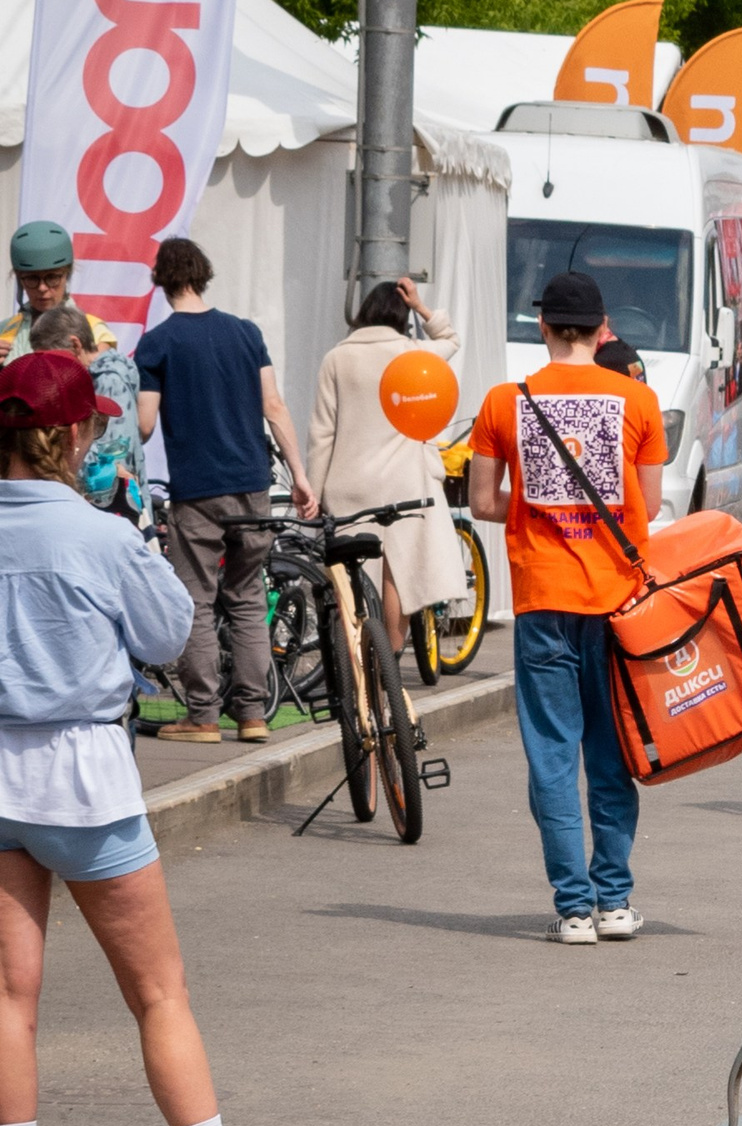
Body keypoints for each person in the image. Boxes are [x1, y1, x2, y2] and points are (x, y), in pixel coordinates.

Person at [0, 350, 297, 1126]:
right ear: (72, 435)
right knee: (158, 992)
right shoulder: (100, 534)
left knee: (11, 995)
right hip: (85, 777)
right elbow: (172, 632)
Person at [467, 267, 666, 938]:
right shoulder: (636, 399)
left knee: (553, 754)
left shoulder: (504, 402)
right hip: (617, 604)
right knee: (611, 756)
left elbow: (483, 502)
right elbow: (652, 504)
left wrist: (535, 510)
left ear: (544, 326)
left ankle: (573, 908)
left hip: (542, 599)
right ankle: (614, 900)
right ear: (602, 328)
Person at [132, 237, 318, 747]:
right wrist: (300, 476)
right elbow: (274, 407)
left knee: (196, 600)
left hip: (198, 493)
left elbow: (145, 425)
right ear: (203, 274)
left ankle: (203, 716)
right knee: (247, 597)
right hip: (252, 488)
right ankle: (253, 715)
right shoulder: (245, 333)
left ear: (161, 280)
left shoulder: (158, 343)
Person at [306, 278, 471, 650]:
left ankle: (355, 663)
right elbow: (452, 340)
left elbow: (322, 434)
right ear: (402, 315)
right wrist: (422, 307)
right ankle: (391, 660)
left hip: (349, 484)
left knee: (351, 576)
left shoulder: (337, 357)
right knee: (398, 574)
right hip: (403, 484)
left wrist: (312, 494)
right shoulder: (413, 354)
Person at [27, 307, 144, 521]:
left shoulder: (109, 380)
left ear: (75, 344)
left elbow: (115, 459)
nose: (48, 368)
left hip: (114, 514)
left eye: (54, 359)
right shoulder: (90, 380)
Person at [4, 220, 75, 359]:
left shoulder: (93, 330)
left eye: (52, 277)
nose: (42, 288)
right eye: (32, 278)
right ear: (20, 279)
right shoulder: (4, 332)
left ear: (66, 275)